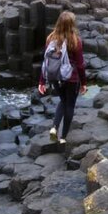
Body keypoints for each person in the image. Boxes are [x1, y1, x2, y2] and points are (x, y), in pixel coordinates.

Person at [38, 11, 87, 141]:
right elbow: (80, 65)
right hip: (71, 78)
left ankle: (54, 127)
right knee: (69, 105)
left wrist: (41, 81)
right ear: (72, 25)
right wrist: (84, 83)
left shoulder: (50, 39)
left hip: (55, 77)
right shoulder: (75, 41)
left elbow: (46, 61)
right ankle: (63, 137)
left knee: (63, 101)